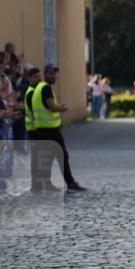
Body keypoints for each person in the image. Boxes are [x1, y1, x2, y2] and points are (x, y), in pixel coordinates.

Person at [31, 64, 87, 193]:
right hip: (50, 130)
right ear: (45, 74)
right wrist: (61, 108)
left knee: (49, 157)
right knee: (63, 155)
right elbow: (51, 106)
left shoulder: (39, 88)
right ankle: (70, 183)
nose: (54, 76)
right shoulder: (45, 88)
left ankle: (46, 184)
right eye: (51, 73)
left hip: (42, 129)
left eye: (55, 73)